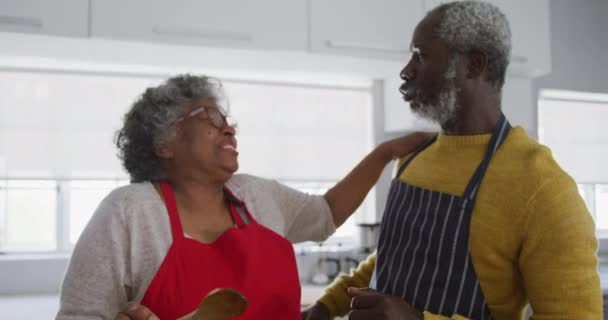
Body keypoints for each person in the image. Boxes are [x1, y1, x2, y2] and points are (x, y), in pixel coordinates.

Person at [301, 1, 602, 319]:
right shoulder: (416, 156)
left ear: (473, 65)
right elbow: (396, 258)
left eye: (421, 55)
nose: (406, 71)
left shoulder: (544, 189)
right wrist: (326, 305)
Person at [55, 74, 432, 319]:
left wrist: (385, 153)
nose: (229, 130)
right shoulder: (129, 212)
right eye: (210, 118)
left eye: (229, 123)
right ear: (163, 144)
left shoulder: (257, 194)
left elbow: (327, 213)